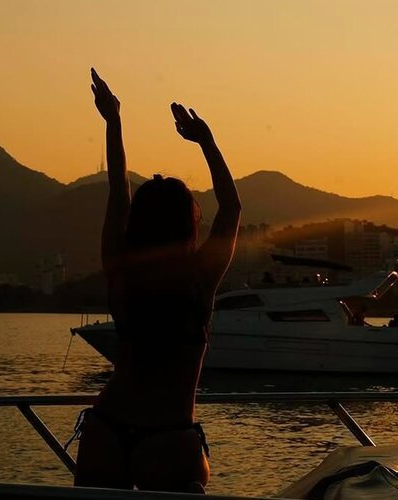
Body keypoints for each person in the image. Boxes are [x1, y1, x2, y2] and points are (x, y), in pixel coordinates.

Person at [71, 69, 241, 493]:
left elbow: (118, 191)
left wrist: (113, 121)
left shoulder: (122, 269)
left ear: (138, 223)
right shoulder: (198, 280)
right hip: (167, 437)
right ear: (188, 224)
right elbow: (231, 209)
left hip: (105, 428)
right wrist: (206, 142)